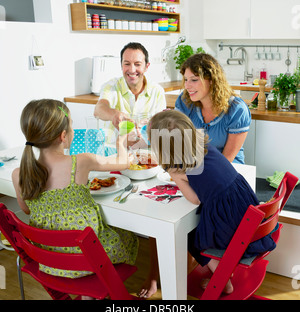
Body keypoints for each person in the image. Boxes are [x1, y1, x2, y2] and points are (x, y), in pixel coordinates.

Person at [139, 110, 276, 298]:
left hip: (231, 223)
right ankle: (223, 270)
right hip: (243, 208)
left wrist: (176, 176)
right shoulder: (204, 148)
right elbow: (206, 178)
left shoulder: (183, 166)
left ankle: (222, 279)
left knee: (190, 236)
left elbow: (195, 199)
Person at [12, 99, 138, 289]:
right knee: (127, 235)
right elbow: (123, 162)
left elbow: (26, 209)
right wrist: (121, 140)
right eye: (71, 126)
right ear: (63, 136)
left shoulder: (19, 174)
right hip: (91, 259)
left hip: (51, 263)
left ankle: (85, 292)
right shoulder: (82, 161)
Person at [175, 53, 251, 164]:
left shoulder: (237, 110)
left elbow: (226, 161)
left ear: (211, 80)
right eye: (186, 79)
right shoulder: (185, 101)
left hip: (229, 170)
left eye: (194, 80)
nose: (187, 86)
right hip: (195, 166)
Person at [93, 42, 166, 145]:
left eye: (137, 64)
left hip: (145, 153)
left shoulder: (157, 91)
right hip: (114, 153)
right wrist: (114, 114)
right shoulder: (111, 86)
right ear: (121, 65)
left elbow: (161, 128)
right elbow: (99, 109)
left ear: (146, 66)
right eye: (127, 64)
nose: (132, 70)